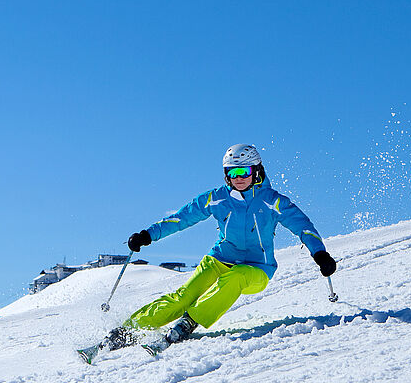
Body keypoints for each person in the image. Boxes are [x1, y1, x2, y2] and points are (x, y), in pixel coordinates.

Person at [98, 143, 337, 358]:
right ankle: (126, 331)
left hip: (257, 269)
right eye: (233, 173)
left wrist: (320, 253)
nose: (239, 178)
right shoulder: (217, 198)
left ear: (256, 171)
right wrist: (148, 234)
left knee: (235, 278)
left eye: (244, 172)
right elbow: (181, 218)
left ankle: (189, 322)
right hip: (219, 259)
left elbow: (303, 226)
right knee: (183, 296)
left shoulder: (272, 201)